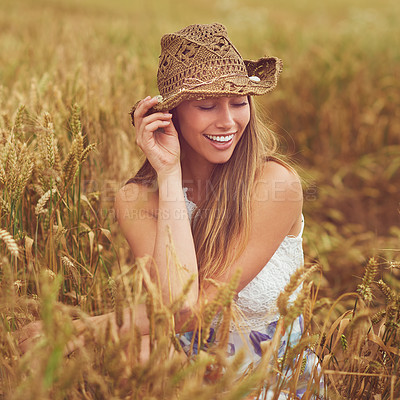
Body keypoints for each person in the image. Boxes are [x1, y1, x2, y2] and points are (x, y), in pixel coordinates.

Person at [115, 23, 315, 397]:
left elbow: (193, 311)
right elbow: (178, 308)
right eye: (206, 105)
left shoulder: (274, 183)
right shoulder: (138, 199)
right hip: (191, 384)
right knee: (138, 358)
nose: (227, 121)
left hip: (278, 384)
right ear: (170, 115)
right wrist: (169, 173)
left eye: (239, 103)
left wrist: (95, 326)